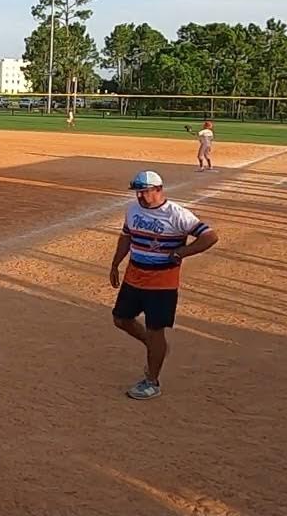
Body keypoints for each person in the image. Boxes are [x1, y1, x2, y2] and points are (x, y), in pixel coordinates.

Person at [109, 170, 219, 400]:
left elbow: (209, 237)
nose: (140, 196)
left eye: (145, 191)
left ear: (159, 189)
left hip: (162, 284)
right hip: (134, 277)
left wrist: (183, 252)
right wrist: (115, 263)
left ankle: (152, 381)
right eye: (138, 192)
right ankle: (155, 346)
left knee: (155, 329)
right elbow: (126, 237)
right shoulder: (132, 210)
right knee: (121, 319)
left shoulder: (177, 214)